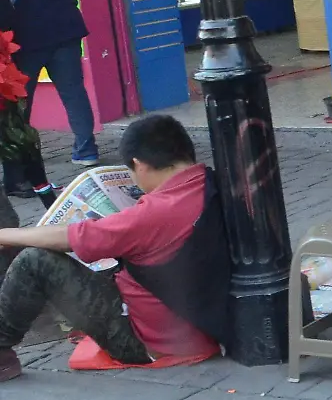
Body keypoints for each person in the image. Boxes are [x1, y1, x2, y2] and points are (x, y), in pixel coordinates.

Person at [0, 114, 227, 383]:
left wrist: (5, 235)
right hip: (200, 320)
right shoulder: (210, 183)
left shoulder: (156, 213)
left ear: (139, 165)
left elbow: (75, 237)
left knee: (34, 261)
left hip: (157, 341)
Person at [0, 0, 96, 167]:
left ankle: (25, 159)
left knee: (20, 101)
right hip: (66, 28)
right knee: (73, 91)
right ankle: (86, 150)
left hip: (27, 35)